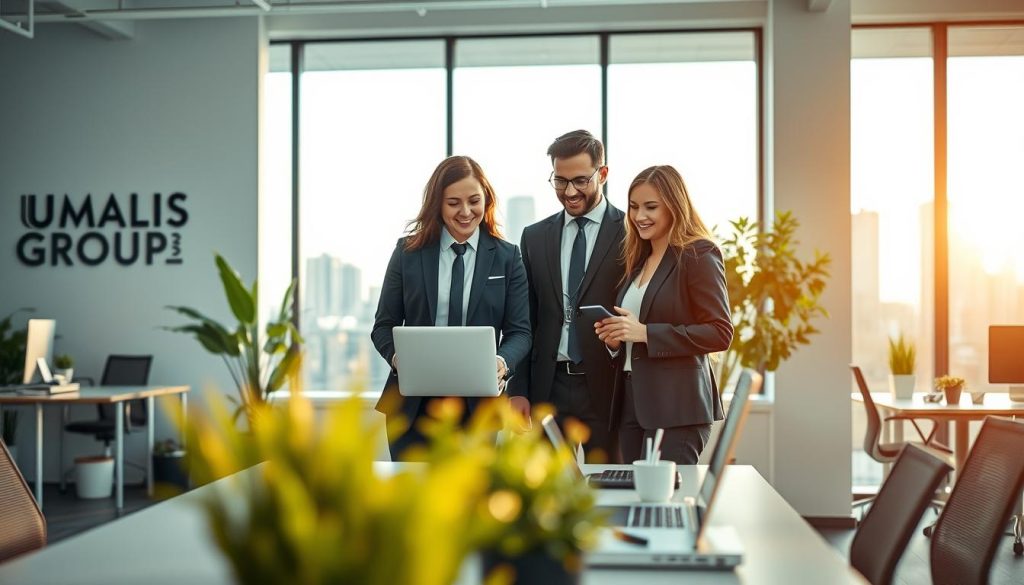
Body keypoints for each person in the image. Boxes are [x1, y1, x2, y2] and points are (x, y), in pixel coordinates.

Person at [371, 155, 531, 461]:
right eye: (453, 202)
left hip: (478, 410)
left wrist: (502, 362)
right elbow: (383, 325)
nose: (466, 212)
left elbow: (520, 332)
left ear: (487, 199)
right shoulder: (408, 253)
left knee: (474, 502)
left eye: (474, 200)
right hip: (413, 407)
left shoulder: (508, 257)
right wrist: (398, 357)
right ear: (438, 204)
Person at [594, 165, 732, 465]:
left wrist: (645, 333)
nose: (639, 216)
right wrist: (615, 340)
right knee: (635, 500)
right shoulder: (639, 260)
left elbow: (720, 332)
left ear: (674, 205)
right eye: (633, 207)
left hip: (677, 407)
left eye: (650, 207)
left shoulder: (699, 254)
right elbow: (633, 335)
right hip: (631, 404)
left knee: (668, 500)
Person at [507, 130, 626, 463]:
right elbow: (523, 320)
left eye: (580, 181)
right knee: (541, 501)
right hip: (548, 388)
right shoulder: (534, 237)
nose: (570, 192)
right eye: (560, 181)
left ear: (602, 174)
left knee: (609, 492)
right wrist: (517, 390)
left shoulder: (631, 233)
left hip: (606, 390)